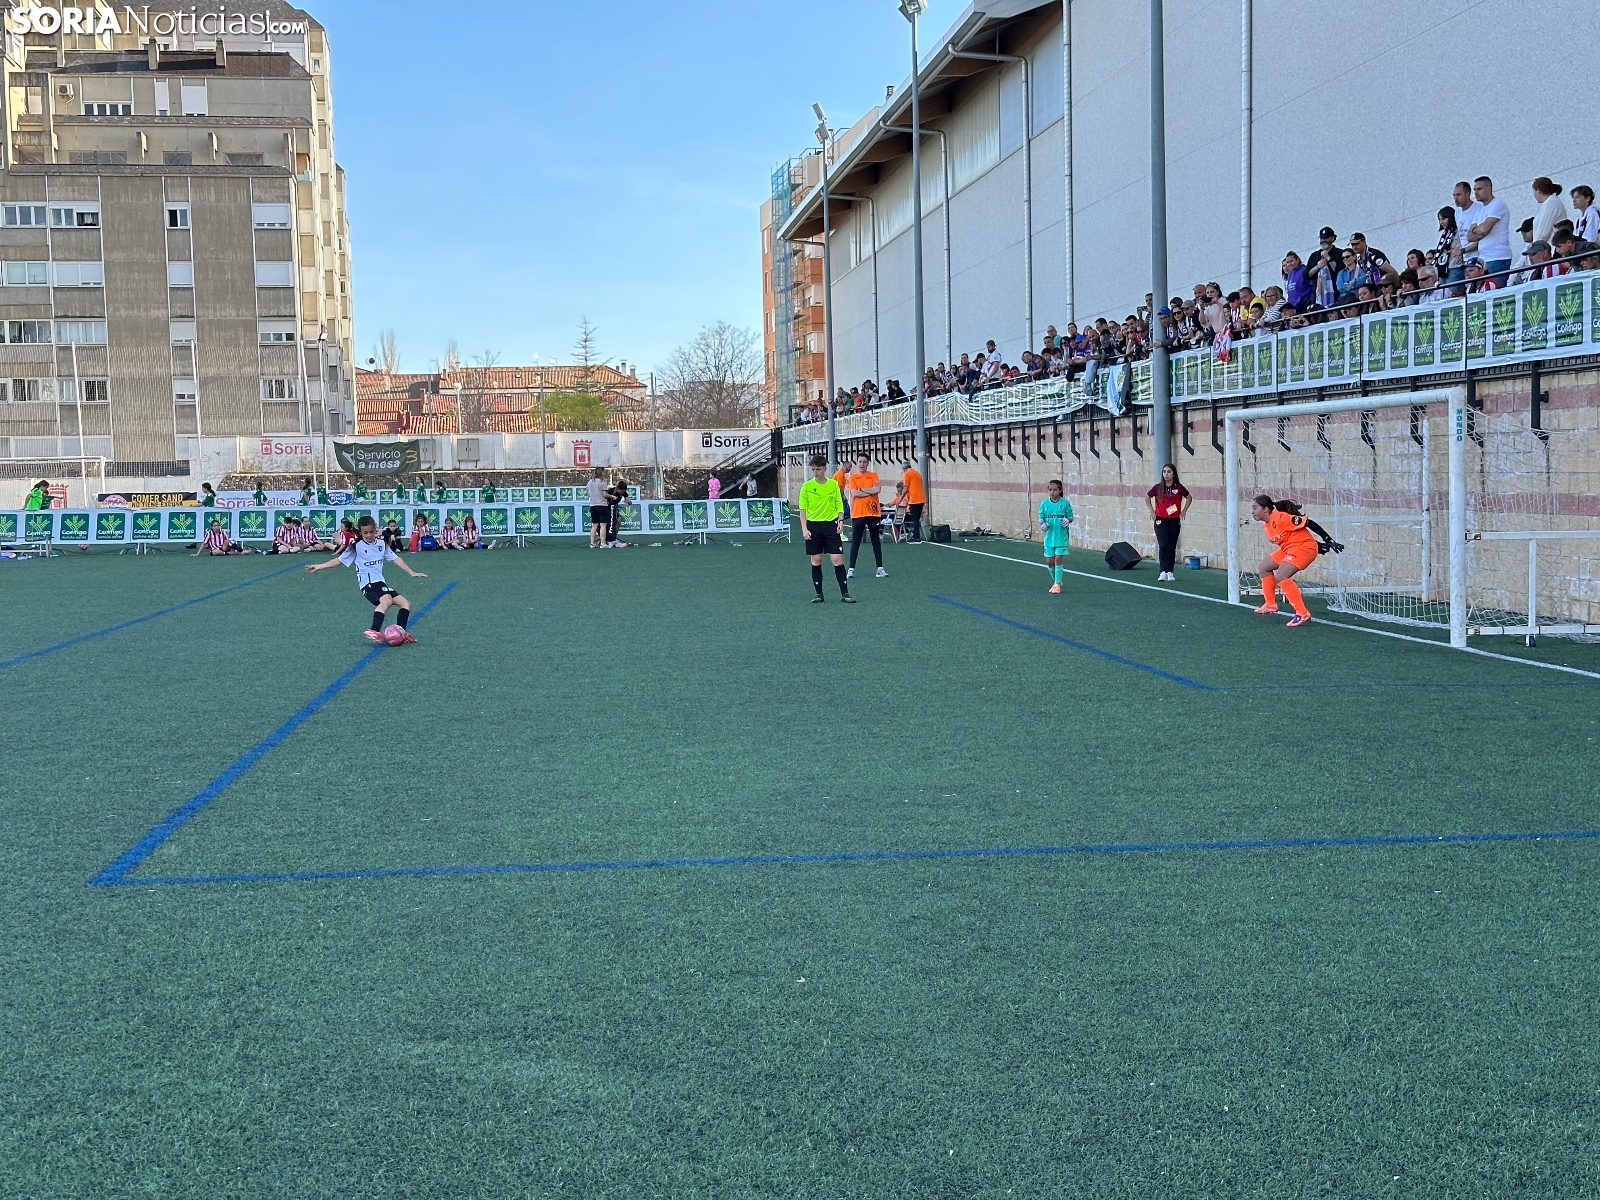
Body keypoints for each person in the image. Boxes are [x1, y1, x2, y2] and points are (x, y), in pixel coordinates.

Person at [305, 513, 427, 645]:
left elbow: (395, 558)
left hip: (380, 582)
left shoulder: (381, 543)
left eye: (371, 532)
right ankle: (373, 629)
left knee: (405, 604)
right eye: (365, 533)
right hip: (368, 583)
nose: (369, 535)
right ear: (360, 532)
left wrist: (411, 572)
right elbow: (339, 561)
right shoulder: (356, 546)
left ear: (375, 529)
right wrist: (319, 566)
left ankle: (401, 632)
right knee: (386, 599)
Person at [1251, 495, 1343, 628]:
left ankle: (1302, 613)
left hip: (1303, 549)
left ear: (1265, 509)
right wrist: (1317, 544)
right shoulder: (1267, 524)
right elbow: (1294, 534)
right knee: (1264, 567)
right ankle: (1270, 604)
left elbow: (1309, 523)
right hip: (1290, 548)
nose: (1252, 511)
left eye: (1255, 508)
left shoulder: (1281, 518)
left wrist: (1328, 540)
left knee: (1282, 577)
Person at [797, 454, 853, 603]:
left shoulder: (833, 485)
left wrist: (841, 520)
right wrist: (804, 528)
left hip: (830, 526)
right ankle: (819, 594)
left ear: (824, 468)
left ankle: (845, 593)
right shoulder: (806, 486)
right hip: (813, 526)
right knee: (816, 560)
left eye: (818, 469)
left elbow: (838, 505)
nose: (816, 472)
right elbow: (803, 509)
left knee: (837, 559)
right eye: (813, 469)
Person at [1146, 463, 1192, 581]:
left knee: (1171, 546)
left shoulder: (1179, 487)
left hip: (1174, 519)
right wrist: (1152, 510)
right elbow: (1147, 497)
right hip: (1160, 519)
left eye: (1169, 472)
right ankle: (1162, 571)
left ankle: (1170, 572)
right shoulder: (1157, 487)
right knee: (1163, 545)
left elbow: (1189, 497)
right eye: (1164, 472)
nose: (1166, 474)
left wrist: (1184, 510)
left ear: (1173, 474)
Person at [844, 453, 886, 579]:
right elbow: (854, 493)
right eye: (860, 461)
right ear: (857, 463)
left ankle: (880, 568)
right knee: (856, 541)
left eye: (864, 462)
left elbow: (877, 490)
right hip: (858, 513)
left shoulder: (873, 475)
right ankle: (851, 569)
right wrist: (868, 490)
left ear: (868, 463)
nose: (862, 464)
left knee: (875, 541)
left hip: (873, 513)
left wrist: (862, 489)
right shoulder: (853, 478)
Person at [1467, 176, 1513, 282]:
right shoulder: (1479, 210)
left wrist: (1479, 230)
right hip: (1483, 259)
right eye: (1475, 190)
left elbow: (1484, 229)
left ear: (1488, 188)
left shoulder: (1497, 204)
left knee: (1497, 293)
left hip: (1498, 257)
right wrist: (1481, 230)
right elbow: (1469, 236)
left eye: (1479, 189)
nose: (1476, 192)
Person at [1038, 479, 1074, 594]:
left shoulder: (1065, 504)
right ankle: (1056, 581)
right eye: (1050, 490)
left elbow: (1071, 517)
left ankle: (1057, 585)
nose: (1052, 492)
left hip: (1061, 536)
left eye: (1055, 490)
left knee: (1058, 558)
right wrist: (1042, 524)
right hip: (1049, 537)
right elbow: (1041, 518)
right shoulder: (1044, 504)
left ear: (1060, 490)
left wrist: (1067, 520)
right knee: (1050, 561)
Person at [900, 459, 925, 543]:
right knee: (917, 519)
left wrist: (900, 498)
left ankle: (917, 537)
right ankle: (915, 535)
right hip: (921, 498)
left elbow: (905, 488)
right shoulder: (917, 474)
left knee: (914, 519)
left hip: (914, 499)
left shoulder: (907, 474)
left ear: (904, 469)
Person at [586, 467, 610, 549]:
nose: (604, 473)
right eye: (603, 472)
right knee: (603, 525)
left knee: (595, 525)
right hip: (602, 505)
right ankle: (603, 544)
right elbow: (605, 495)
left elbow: (589, 494)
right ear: (601, 472)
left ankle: (592, 543)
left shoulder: (590, 482)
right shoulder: (603, 482)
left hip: (593, 505)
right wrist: (612, 497)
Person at [604, 479, 631, 546]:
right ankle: (608, 538)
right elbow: (604, 498)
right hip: (608, 508)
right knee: (610, 523)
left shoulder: (623, 492)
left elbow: (628, 500)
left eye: (624, 491)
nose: (622, 493)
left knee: (618, 521)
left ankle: (614, 537)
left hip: (615, 507)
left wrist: (628, 501)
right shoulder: (611, 491)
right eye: (621, 491)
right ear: (618, 488)